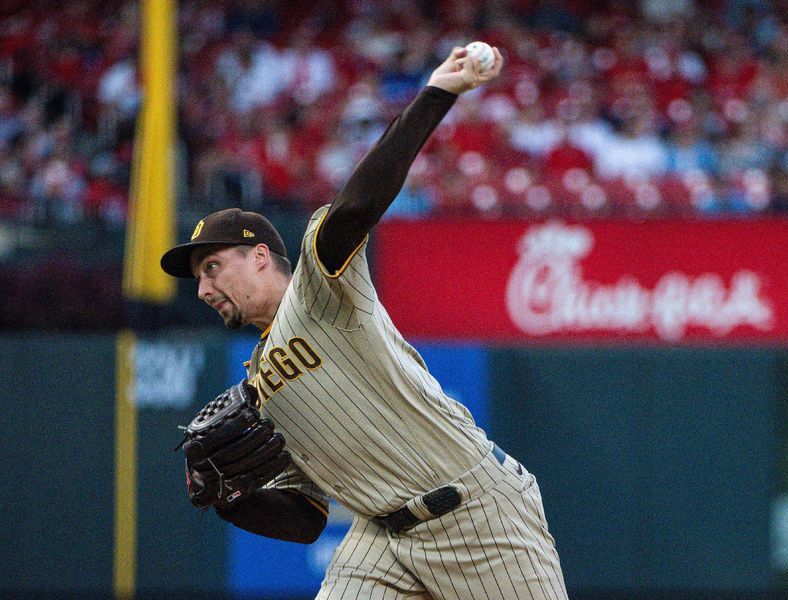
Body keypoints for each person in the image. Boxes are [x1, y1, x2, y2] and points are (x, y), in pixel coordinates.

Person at [161, 45, 568, 600]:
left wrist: (435, 94)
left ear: (259, 255)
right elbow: (305, 518)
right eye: (198, 279)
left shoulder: (317, 289)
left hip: (476, 515)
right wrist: (230, 499)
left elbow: (354, 209)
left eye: (212, 267)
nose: (204, 289)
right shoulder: (256, 386)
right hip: (380, 536)